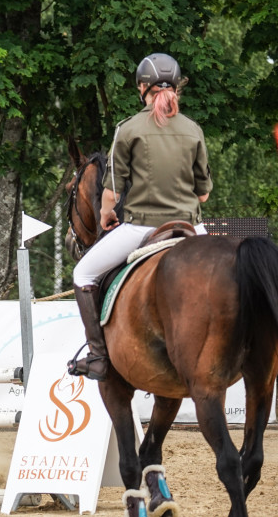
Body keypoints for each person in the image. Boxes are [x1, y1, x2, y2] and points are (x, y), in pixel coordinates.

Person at [68, 53, 212, 380]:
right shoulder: (193, 130)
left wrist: (106, 216)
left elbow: (112, 194)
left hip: (142, 227)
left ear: (142, 88)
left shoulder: (128, 129)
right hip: (192, 226)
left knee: (83, 273)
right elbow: (203, 193)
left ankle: (98, 357)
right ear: (175, 88)